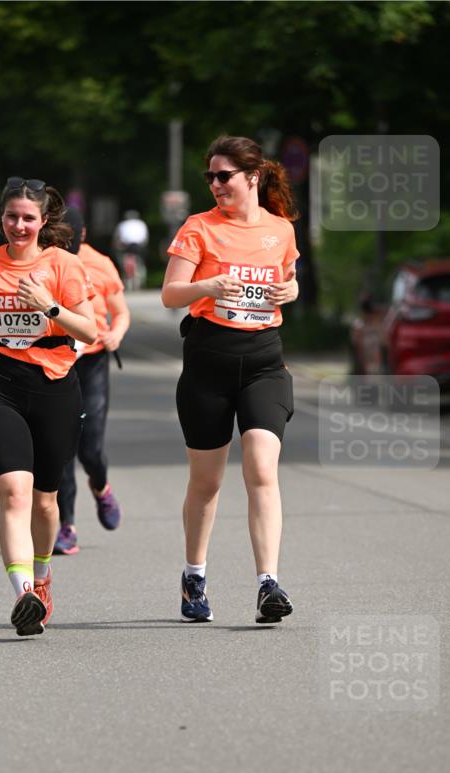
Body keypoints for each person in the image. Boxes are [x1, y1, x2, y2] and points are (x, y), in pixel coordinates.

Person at [161, 134, 300, 625]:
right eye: (211, 177)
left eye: (224, 176)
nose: (216, 185)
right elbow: (171, 294)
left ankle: (268, 584)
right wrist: (209, 285)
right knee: (207, 481)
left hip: (264, 362)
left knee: (262, 468)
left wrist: (290, 291)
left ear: (253, 177)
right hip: (208, 364)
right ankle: (194, 575)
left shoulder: (280, 229)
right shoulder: (199, 228)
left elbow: (290, 279)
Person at [0, 177, 97, 636]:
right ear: (0, 217)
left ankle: (41, 578)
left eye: (27, 218)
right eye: (11, 216)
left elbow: (90, 331)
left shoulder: (63, 264)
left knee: (44, 501)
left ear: (43, 221)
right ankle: (23, 596)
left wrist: (49, 306)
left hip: (55, 385)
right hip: (0, 382)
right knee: (14, 493)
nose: (18, 225)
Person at [54, 206, 129, 555]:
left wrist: (116, 333)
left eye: (69, 237)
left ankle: (101, 487)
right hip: (56, 362)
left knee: (91, 448)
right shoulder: (45, 263)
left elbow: (121, 311)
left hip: (93, 362)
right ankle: (65, 526)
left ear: (82, 235)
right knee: (61, 450)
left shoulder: (100, 264)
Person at [113, 209, 149, 290]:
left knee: (124, 262)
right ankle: (140, 279)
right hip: (139, 247)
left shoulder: (122, 224)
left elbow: (117, 238)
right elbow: (145, 238)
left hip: (126, 247)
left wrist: (117, 246)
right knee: (140, 263)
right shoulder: (141, 224)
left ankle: (127, 277)